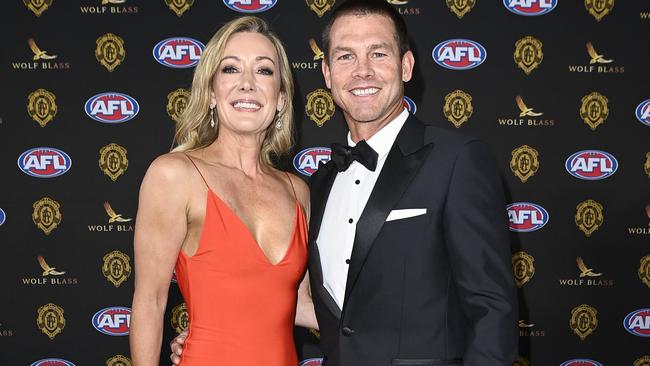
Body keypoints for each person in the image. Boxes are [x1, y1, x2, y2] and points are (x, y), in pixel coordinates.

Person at [172, 0, 518, 365]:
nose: (362, 71)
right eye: (345, 56)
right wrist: (212, 333)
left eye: (378, 53)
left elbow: (492, 310)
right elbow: (290, 299)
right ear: (326, 73)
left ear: (406, 66)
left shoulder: (456, 160)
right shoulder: (315, 186)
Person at [130, 16, 316, 366]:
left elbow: (301, 304)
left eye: (263, 71)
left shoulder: (298, 191)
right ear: (212, 93)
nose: (247, 84)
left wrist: (398, 322)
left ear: (280, 98)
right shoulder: (174, 175)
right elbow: (150, 302)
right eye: (231, 69)